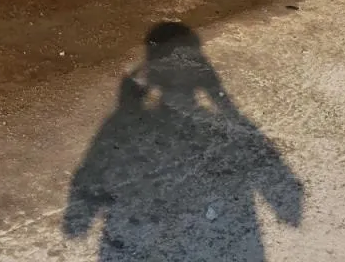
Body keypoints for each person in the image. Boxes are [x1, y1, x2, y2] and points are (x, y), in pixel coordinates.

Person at [63, 22, 303, 261]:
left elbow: (93, 169)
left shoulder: (126, 123)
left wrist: (80, 218)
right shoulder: (205, 124)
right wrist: (223, 101)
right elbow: (278, 181)